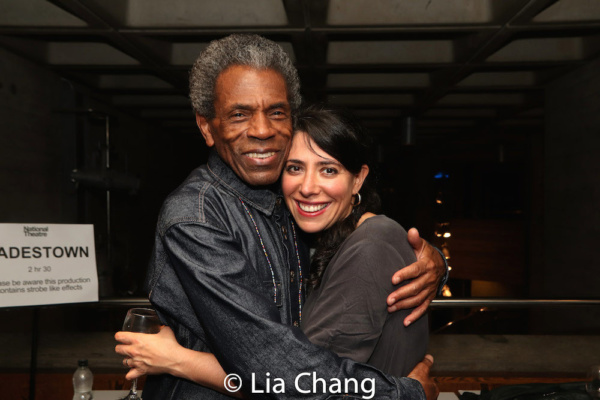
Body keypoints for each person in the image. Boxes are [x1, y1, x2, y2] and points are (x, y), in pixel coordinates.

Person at [119, 33, 446, 399]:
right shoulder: (197, 217)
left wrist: (431, 260)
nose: (262, 131)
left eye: (276, 112)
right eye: (239, 114)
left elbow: (360, 241)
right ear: (207, 127)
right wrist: (406, 394)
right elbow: (274, 365)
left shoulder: (283, 195)